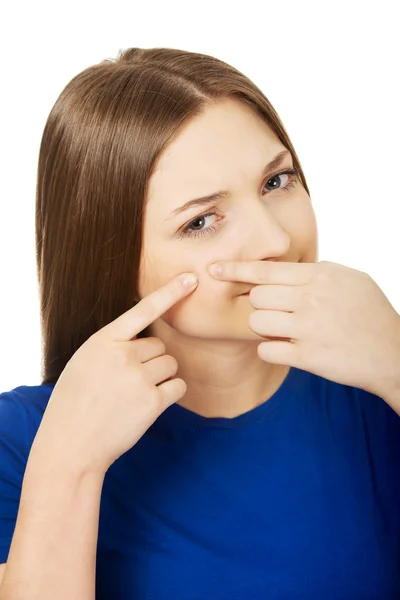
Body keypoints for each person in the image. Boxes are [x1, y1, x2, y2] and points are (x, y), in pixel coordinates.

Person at [0, 46, 399, 600]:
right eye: (202, 220)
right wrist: (68, 470)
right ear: (109, 255)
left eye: (276, 182)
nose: (276, 241)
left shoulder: (380, 392)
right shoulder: (19, 443)